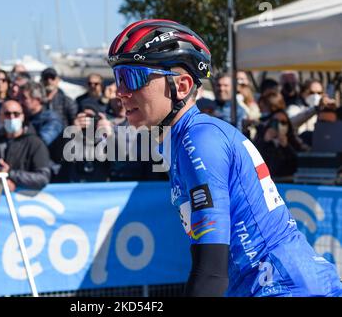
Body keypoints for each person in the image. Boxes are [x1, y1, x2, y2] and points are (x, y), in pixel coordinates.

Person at [107, 19, 342, 297]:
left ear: (181, 86)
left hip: (282, 287)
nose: (121, 91)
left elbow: (211, 269)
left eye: (133, 77)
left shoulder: (199, 139)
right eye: (119, 78)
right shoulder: (182, 139)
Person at [0, 100, 51, 191]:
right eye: (7, 114)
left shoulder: (35, 143)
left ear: (22, 117)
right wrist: (0, 181)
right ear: (0, 117)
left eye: (16, 114)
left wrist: (10, 174)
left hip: (26, 201)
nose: (12, 117)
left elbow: (42, 178)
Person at [254, 110, 308, 178]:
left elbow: (297, 164)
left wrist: (286, 147)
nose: (278, 125)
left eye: (283, 122)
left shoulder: (294, 142)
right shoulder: (261, 138)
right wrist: (265, 142)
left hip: (287, 182)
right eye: (275, 121)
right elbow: (256, 162)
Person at [19, 81, 63, 147]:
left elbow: (39, 143)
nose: (20, 101)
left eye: (24, 98)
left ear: (37, 100)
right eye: (19, 97)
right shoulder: (23, 116)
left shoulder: (52, 119)